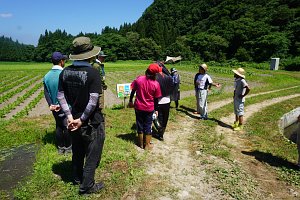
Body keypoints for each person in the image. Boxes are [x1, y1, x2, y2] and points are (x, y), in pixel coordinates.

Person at [57, 36, 105, 195]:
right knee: (92, 154)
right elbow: (93, 100)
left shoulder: (65, 71)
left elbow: (60, 96)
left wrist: (70, 117)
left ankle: (77, 178)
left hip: (72, 120)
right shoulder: (93, 73)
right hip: (91, 121)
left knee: (77, 150)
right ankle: (87, 187)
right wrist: (81, 120)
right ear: (90, 55)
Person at [43, 51, 72, 154]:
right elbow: (68, 92)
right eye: (64, 60)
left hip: (54, 107)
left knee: (58, 126)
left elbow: (46, 93)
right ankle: (68, 147)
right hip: (65, 105)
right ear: (61, 61)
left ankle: (60, 147)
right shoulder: (65, 74)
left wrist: (51, 104)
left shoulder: (46, 76)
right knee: (67, 125)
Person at [128, 63, 162, 150]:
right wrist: (156, 109)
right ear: (155, 74)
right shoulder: (156, 84)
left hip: (138, 107)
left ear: (147, 70)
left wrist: (130, 101)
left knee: (139, 124)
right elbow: (156, 99)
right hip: (149, 108)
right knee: (148, 125)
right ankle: (147, 145)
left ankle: (140, 144)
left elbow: (133, 91)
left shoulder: (139, 79)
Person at [155, 61, 174, 141]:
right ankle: (162, 133)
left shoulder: (155, 77)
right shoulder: (169, 77)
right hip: (167, 100)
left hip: (158, 100)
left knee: (159, 117)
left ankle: (160, 132)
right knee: (165, 117)